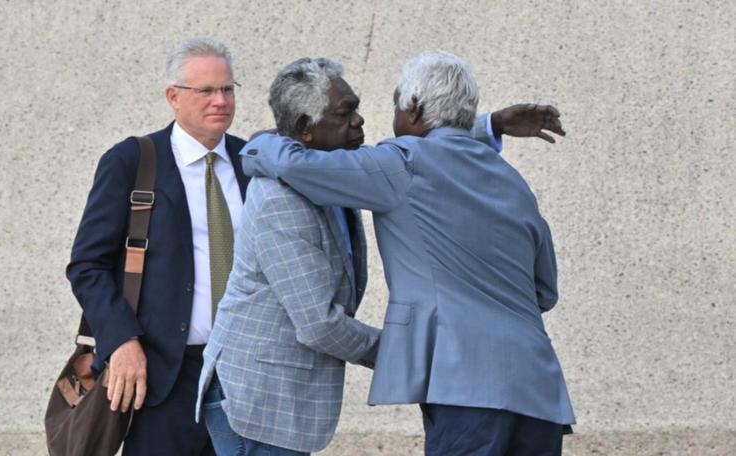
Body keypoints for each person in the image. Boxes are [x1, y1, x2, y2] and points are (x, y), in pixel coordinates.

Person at [241, 50, 575, 455]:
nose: (369, 122)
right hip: (540, 391)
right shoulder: (512, 180)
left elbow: (296, 165)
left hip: (466, 388)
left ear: (413, 109)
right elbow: (545, 291)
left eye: (396, 103)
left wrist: (258, 143)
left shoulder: (401, 165)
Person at [66, 37, 247, 455]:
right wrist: (122, 341)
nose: (220, 100)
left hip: (246, 376)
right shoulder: (133, 161)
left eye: (228, 89)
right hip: (162, 379)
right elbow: (87, 266)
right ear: (173, 97)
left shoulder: (252, 161)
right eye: (205, 90)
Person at [194, 57, 379, 456]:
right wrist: (401, 353)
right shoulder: (281, 199)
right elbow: (319, 324)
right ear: (304, 130)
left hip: (281, 400)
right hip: (258, 403)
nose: (360, 121)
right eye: (346, 112)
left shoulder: (326, 177)